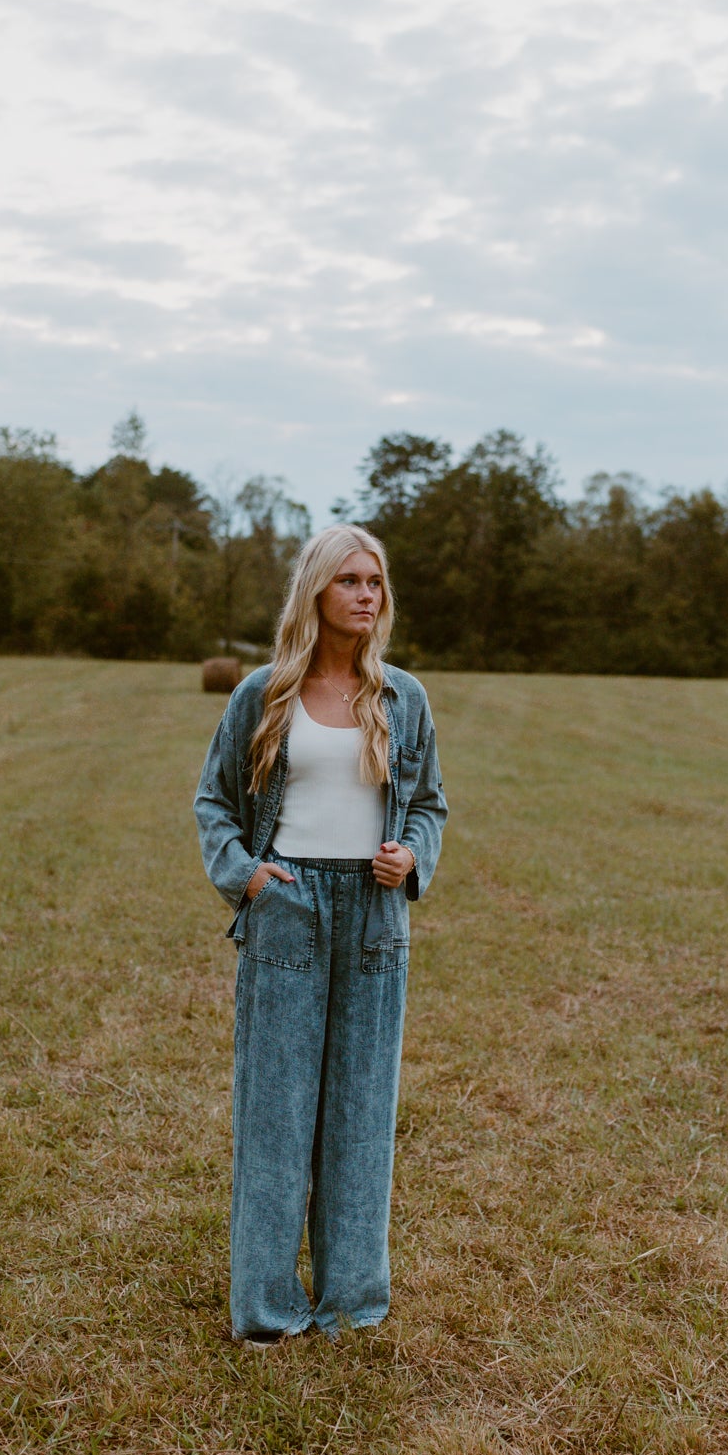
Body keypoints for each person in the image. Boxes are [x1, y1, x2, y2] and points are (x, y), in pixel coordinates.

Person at [194, 524, 449, 1345]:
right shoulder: (261, 692)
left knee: (361, 1114)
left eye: (375, 581)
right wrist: (245, 873)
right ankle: (267, 1308)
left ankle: (350, 1303)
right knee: (276, 1112)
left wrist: (412, 855)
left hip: (376, 912)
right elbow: (214, 803)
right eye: (349, 581)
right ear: (316, 591)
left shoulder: (401, 697)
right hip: (288, 904)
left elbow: (430, 807)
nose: (366, 595)